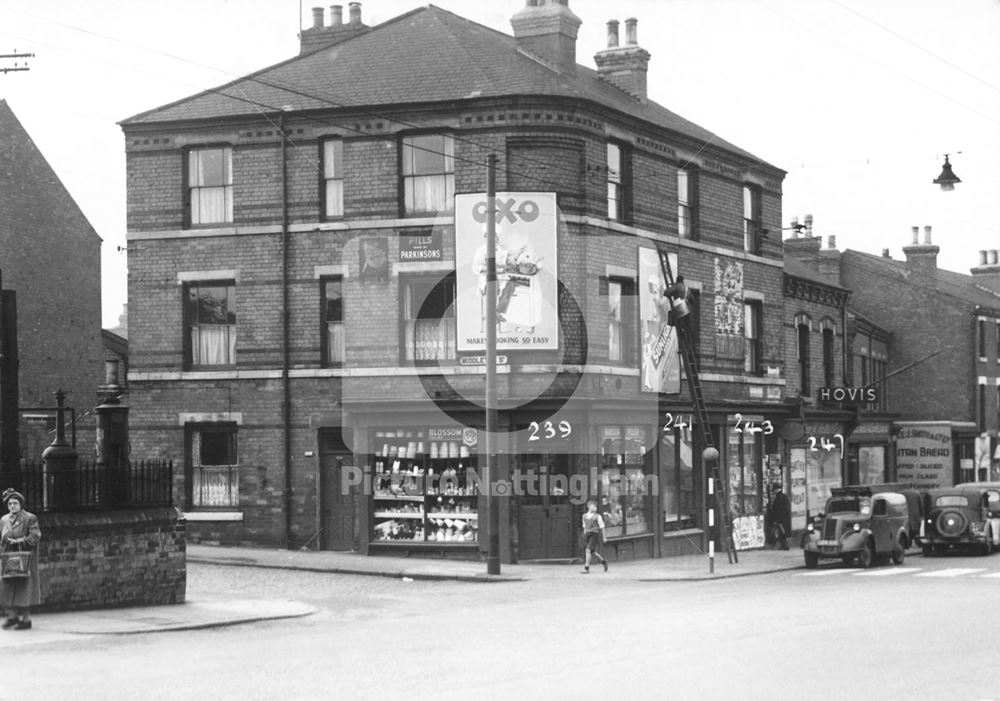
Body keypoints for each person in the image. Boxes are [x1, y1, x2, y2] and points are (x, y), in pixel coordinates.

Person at [0, 488, 42, 630]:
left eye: (15, 503)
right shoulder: (4, 519)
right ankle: (12, 617)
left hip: (24, 558)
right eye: (10, 503)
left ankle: (25, 619)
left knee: (24, 587)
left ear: (21, 504)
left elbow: (35, 536)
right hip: (8, 558)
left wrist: (19, 541)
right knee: (7, 586)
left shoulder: (29, 518)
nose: (12, 506)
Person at [581, 500, 608, 573]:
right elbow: (584, 526)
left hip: (594, 534)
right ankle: (603, 561)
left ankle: (586, 568)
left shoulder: (598, 516)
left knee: (588, 550)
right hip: (587, 534)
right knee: (592, 552)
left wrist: (604, 537)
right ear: (589, 507)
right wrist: (584, 534)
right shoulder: (584, 516)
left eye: (596, 507)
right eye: (594, 506)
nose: (595, 508)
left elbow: (602, 527)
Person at [766, 484, 791, 550]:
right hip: (785, 519)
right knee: (783, 533)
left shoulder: (778, 497)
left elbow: (777, 509)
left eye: (774, 490)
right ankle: (784, 546)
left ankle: (784, 546)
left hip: (781, 520)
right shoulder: (784, 496)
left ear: (776, 490)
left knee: (781, 533)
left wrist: (776, 519)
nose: (773, 492)